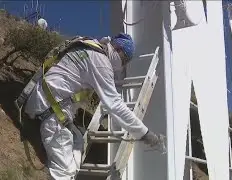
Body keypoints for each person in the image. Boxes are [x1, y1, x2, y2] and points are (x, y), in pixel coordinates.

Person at [23, 33, 166, 180]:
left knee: (78, 140)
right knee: (66, 173)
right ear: (116, 48)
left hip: (43, 98)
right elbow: (115, 105)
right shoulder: (101, 62)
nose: (122, 65)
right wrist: (145, 133)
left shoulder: (88, 45)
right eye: (123, 59)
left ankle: (54, 154)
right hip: (51, 111)